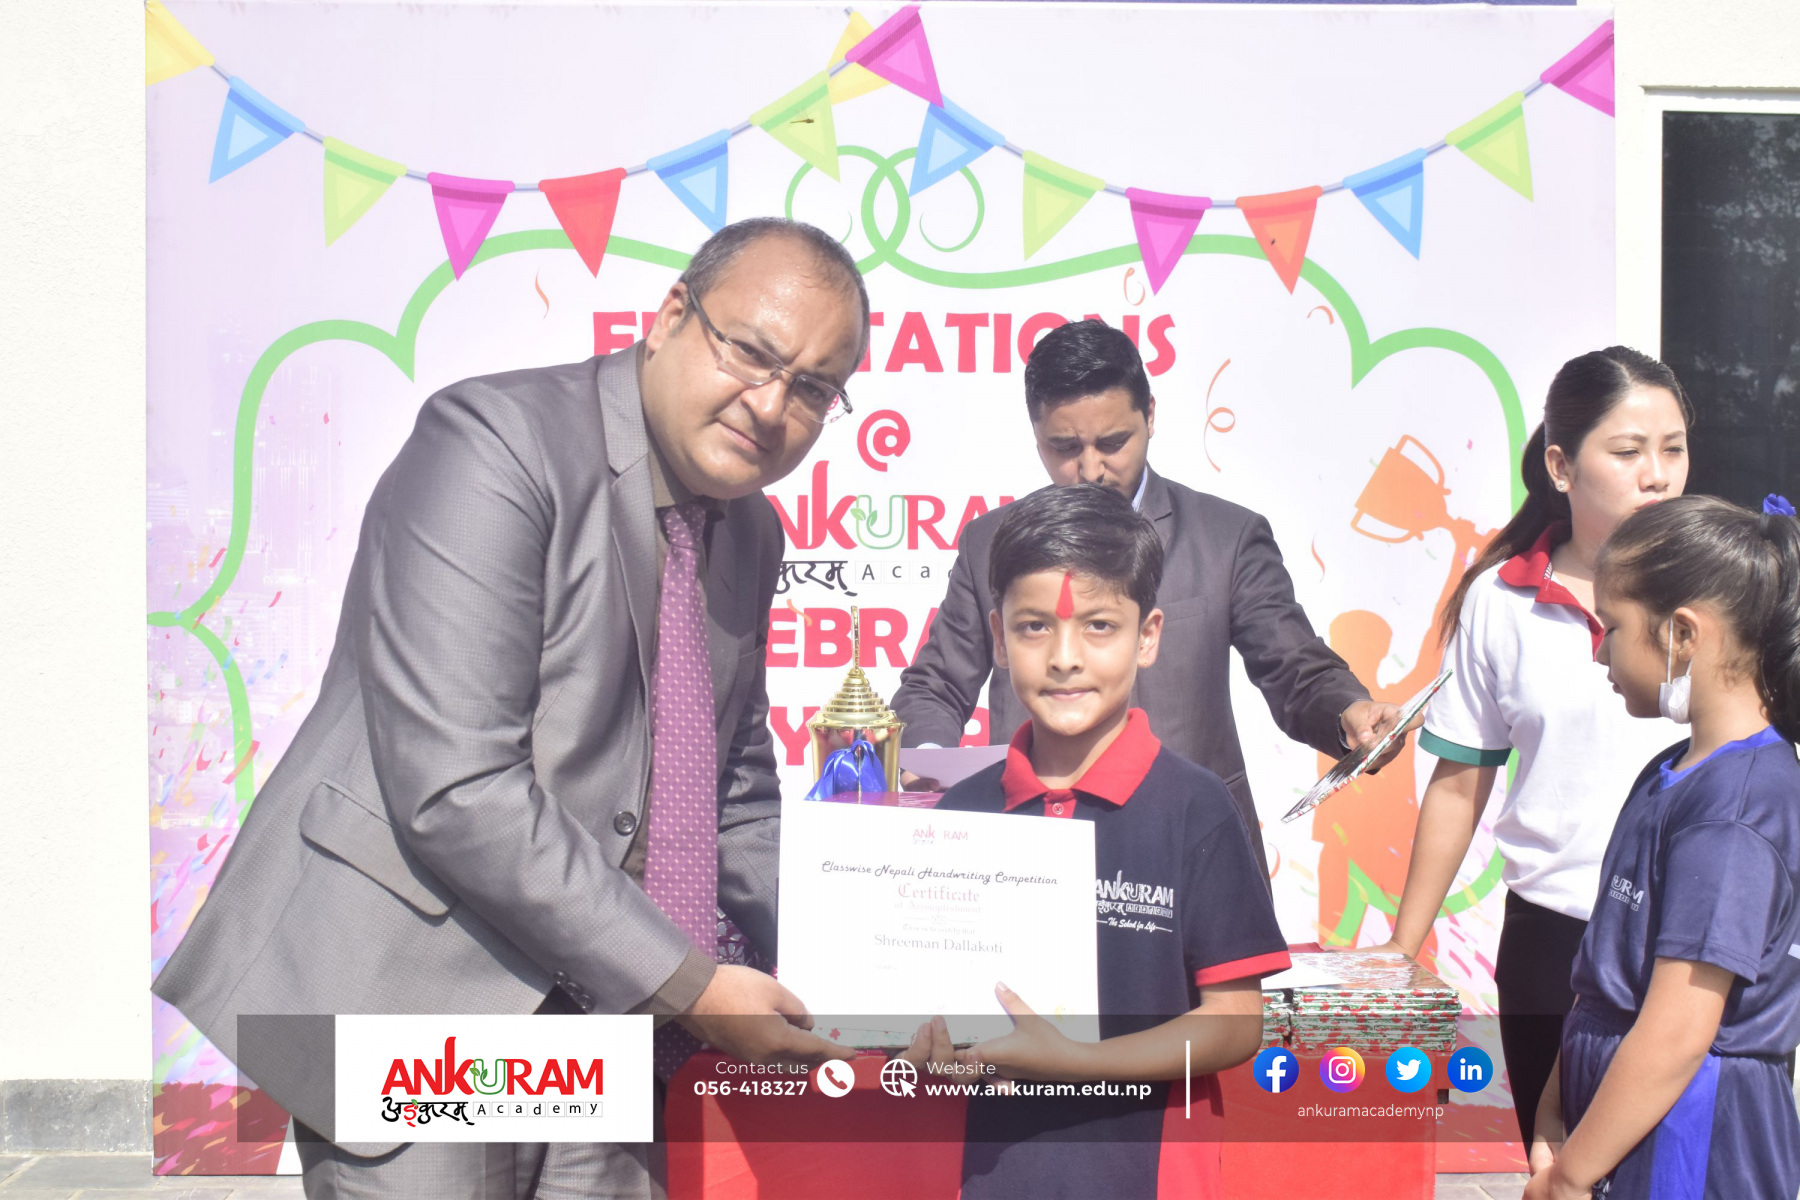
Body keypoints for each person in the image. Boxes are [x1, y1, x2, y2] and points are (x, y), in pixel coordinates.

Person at [150, 218, 868, 1198]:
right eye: (750, 351)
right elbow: (457, 785)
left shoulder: (750, 533)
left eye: (815, 388)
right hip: (419, 994)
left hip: (611, 1011)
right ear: (670, 318)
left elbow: (731, 788)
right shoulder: (495, 442)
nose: (772, 403)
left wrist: (866, 972)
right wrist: (691, 985)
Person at [892, 318, 1403, 877]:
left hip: (1191, 849)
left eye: (1113, 443)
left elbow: (1294, 668)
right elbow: (936, 684)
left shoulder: (1225, 538)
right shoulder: (991, 542)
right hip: (1033, 852)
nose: (1091, 470)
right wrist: (928, 767)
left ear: (1151, 416)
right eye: (1065, 448)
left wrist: (1350, 713)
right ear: (1035, 434)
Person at [910, 483, 1288, 1198]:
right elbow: (935, 1012)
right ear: (997, 637)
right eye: (1033, 627)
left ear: (1148, 636)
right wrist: (925, 1047)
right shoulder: (960, 815)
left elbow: (1237, 1025)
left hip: (1145, 1174)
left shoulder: (1196, 808)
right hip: (992, 1174)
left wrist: (1077, 1061)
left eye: (1099, 626)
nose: (1065, 657)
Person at [1356, 347, 1691, 1146]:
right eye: (1628, 451)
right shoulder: (1501, 602)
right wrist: (1403, 948)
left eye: (1674, 449)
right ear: (1560, 466)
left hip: (1697, 939)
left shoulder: (1722, 590)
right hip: (1555, 941)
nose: (1657, 476)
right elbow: (1460, 780)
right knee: (1556, 1166)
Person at [1525, 494, 1800, 1200]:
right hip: (1628, 1123)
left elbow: (1679, 1029)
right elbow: (1609, 976)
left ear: (1681, 633)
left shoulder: (1734, 812)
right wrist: (1557, 1107)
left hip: (1692, 1139)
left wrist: (1573, 1175)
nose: (1598, 649)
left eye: (1611, 626)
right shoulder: (1671, 771)